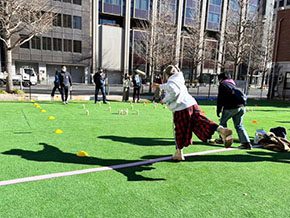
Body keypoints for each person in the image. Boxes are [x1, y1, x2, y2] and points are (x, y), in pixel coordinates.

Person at [154, 65, 233, 161]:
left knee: (179, 131)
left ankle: (179, 153)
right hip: (192, 104)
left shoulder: (172, 81)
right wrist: (162, 89)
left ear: (167, 74)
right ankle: (221, 130)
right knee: (203, 121)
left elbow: (173, 91)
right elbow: (172, 88)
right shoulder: (179, 78)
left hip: (181, 108)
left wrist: (164, 99)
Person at [217, 72, 252, 149]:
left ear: (221, 79)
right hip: (242, 107)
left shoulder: (223, 85)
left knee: (222, 124)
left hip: (231, 107)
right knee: (239, 125)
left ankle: (223, 139)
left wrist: (218, 110)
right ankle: (246, 143)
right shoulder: (233, 84)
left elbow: (220, 99)